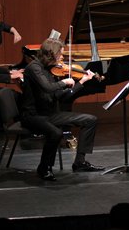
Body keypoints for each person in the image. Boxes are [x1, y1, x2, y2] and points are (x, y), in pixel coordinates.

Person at [19, 38, 104, 181]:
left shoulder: (50, 70)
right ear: (51, 54)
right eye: (60, 54)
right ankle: (44, 168)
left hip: (50, 114)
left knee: (90, 120)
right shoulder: (34, 68)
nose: (62, 58)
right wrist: (64, 82)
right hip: (33, 116)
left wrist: (81, 82)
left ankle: (80, 162)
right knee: (56, 133)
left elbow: (60, 96)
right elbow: (47, 88)